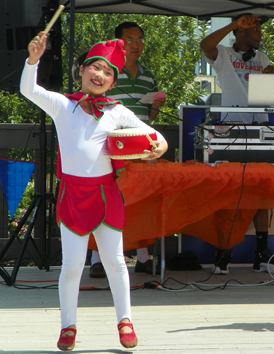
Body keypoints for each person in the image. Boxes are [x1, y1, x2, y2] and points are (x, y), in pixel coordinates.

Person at [21, 34, 168, 351]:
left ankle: (125, 321)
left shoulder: (118, 111)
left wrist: (159, 147)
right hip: (73, 196)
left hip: (105, 196)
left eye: (108, 72)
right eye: (94, 68)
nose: (99, 75)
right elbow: (28, 90)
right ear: (82, 71)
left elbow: (154, 135)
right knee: (72, 266)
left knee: (115, 262)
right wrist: (33, 60)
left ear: (112, 82)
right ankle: (68, 327)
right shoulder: (63, 105)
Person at [200, 13, 274, 275]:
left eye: (260, 28)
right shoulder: (224, 54)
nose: (260, 33)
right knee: (231, 191)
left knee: (261, 193)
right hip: (231, 130)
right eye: (255, 28)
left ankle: (262, 253)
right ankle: (224, 251)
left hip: (260, 129)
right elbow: (205, 45)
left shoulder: (262, 58)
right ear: (240, 31)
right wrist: (233, 24)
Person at [89, 21, 166, 278]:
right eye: (130, 39)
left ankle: (143, 257)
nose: (136, 44)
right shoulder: (108, 72)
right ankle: (97, 259)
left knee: (142, 201)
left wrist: (156, 104)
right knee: (107, 201)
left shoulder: (147, 75)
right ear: (119, 43)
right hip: (111, 148)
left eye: (140, 39)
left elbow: (149, 118)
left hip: (140, 148)